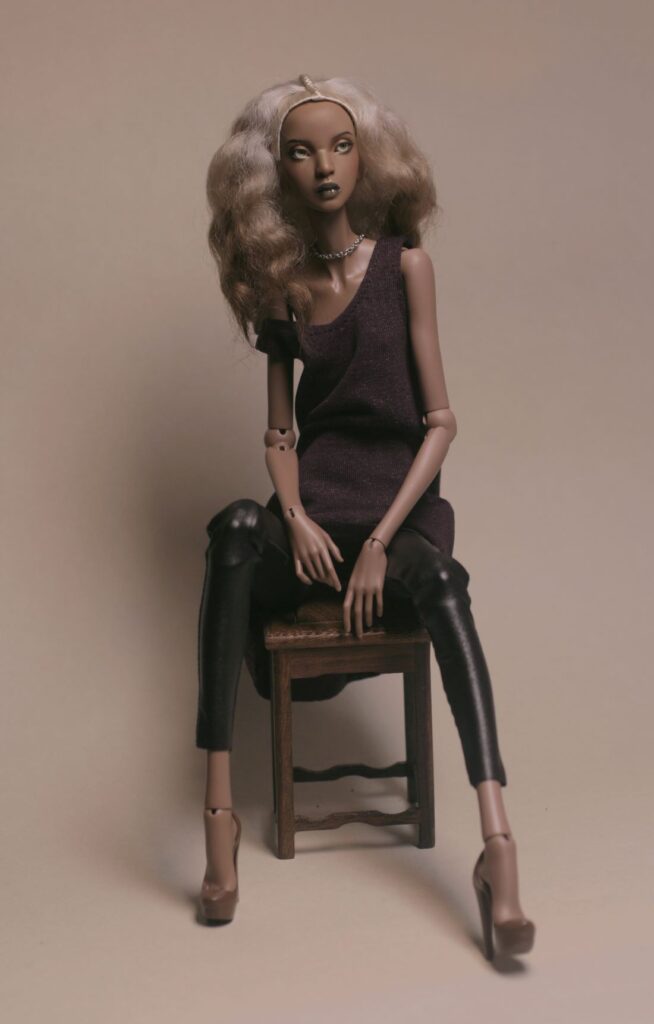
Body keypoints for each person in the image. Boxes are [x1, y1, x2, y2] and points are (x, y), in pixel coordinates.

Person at [196, 73, 535, 958]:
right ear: (274, 172)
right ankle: (218, 819)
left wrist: (384, 537)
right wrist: (294, 514)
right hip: (316, 523)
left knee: (447, 585)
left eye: (340, 146)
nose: (324, 167)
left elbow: (441, 421)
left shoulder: (405, 267)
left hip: (398, 516)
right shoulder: (284, 291)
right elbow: (279, 430)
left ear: (366, 158)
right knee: (233, 532)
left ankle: (498, 846)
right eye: (301, 152)